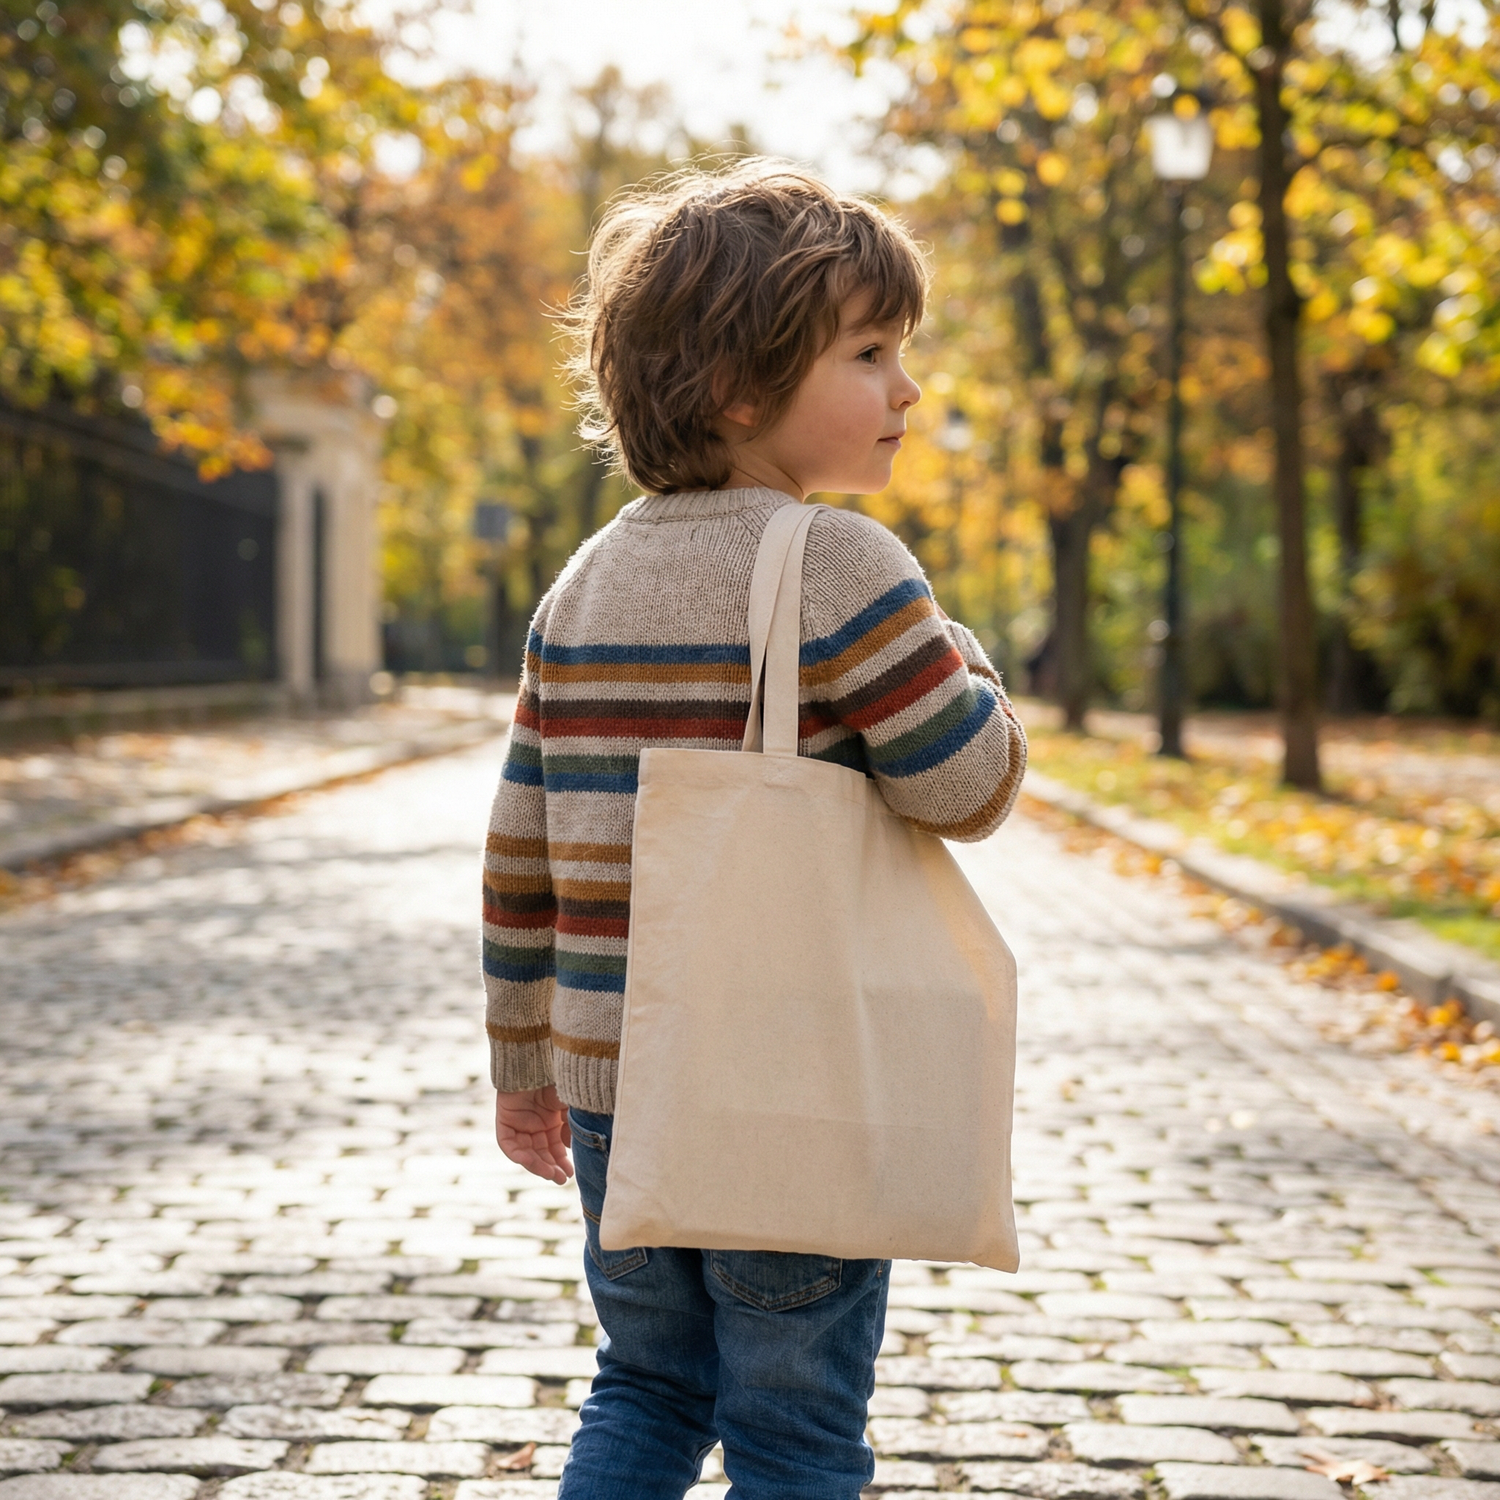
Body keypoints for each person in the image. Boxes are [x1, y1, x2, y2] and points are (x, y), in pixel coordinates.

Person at [481, 158, 1027, 1500]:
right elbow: (970, 786)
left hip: (617, 1094)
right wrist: (962, 654)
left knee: (648, 1390)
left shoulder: (584, 585)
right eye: (871, 351)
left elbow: (520, 853)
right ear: (740, 388)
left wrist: (522, 1061)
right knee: (794, 1434)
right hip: (789, 1084)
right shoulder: (845, 565)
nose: (906, 387)